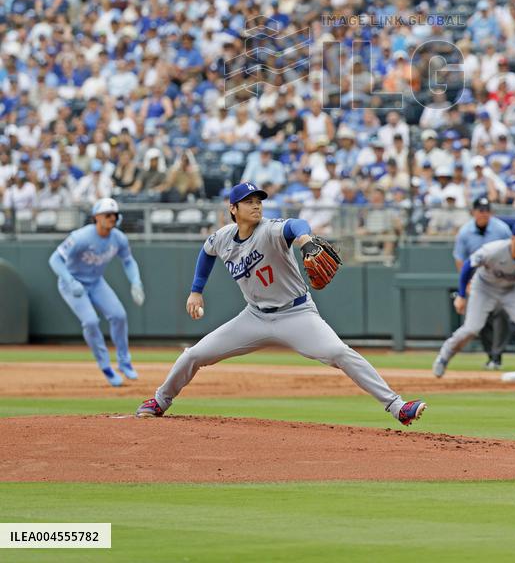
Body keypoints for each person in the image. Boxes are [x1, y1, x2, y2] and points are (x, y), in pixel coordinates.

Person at [136, 182, 426, 426]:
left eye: (258, 201)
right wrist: (196, 291)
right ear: (233, 209)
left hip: (296, 314)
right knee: (194, 355)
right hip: (253, 318)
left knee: (339, 352)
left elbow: (295, 225)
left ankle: (397, 407)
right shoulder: (223, 237)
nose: (256, 206)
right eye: (248, 202)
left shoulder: (270, 230)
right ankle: (160, 400)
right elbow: (207, 251)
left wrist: (305, 239)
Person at [432, 220, 515, 383]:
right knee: (472, 329)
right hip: (484, 287)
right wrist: (461, 295)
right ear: (513, 238)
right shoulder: (493, 250)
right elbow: (468, 266)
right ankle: (444, 356)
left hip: (512, 289)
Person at [48, 197, 145, 387]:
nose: (112, 218)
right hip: (72, 284)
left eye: (114, 215)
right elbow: (55, 260)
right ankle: (106, 366)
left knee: (119, 315)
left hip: (96, 282)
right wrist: (69, 280)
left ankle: (124, 362)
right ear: (96, 217)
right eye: (107, 214)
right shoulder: (81, 237)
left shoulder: (118, 238)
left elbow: (128, 261)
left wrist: (136, 281)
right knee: (91, 322)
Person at [452, 196, 512, 368]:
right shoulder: (465, 231)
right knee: (481, 321)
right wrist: (466, 283)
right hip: (476, 280)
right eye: (480, 210)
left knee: (502, 314)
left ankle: (496, 356)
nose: (484, 214)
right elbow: (460, 260)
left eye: (487, 210)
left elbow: (511, 251)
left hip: (499, 278)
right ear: (474, 212)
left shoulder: (501, 229)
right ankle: (491, 355)